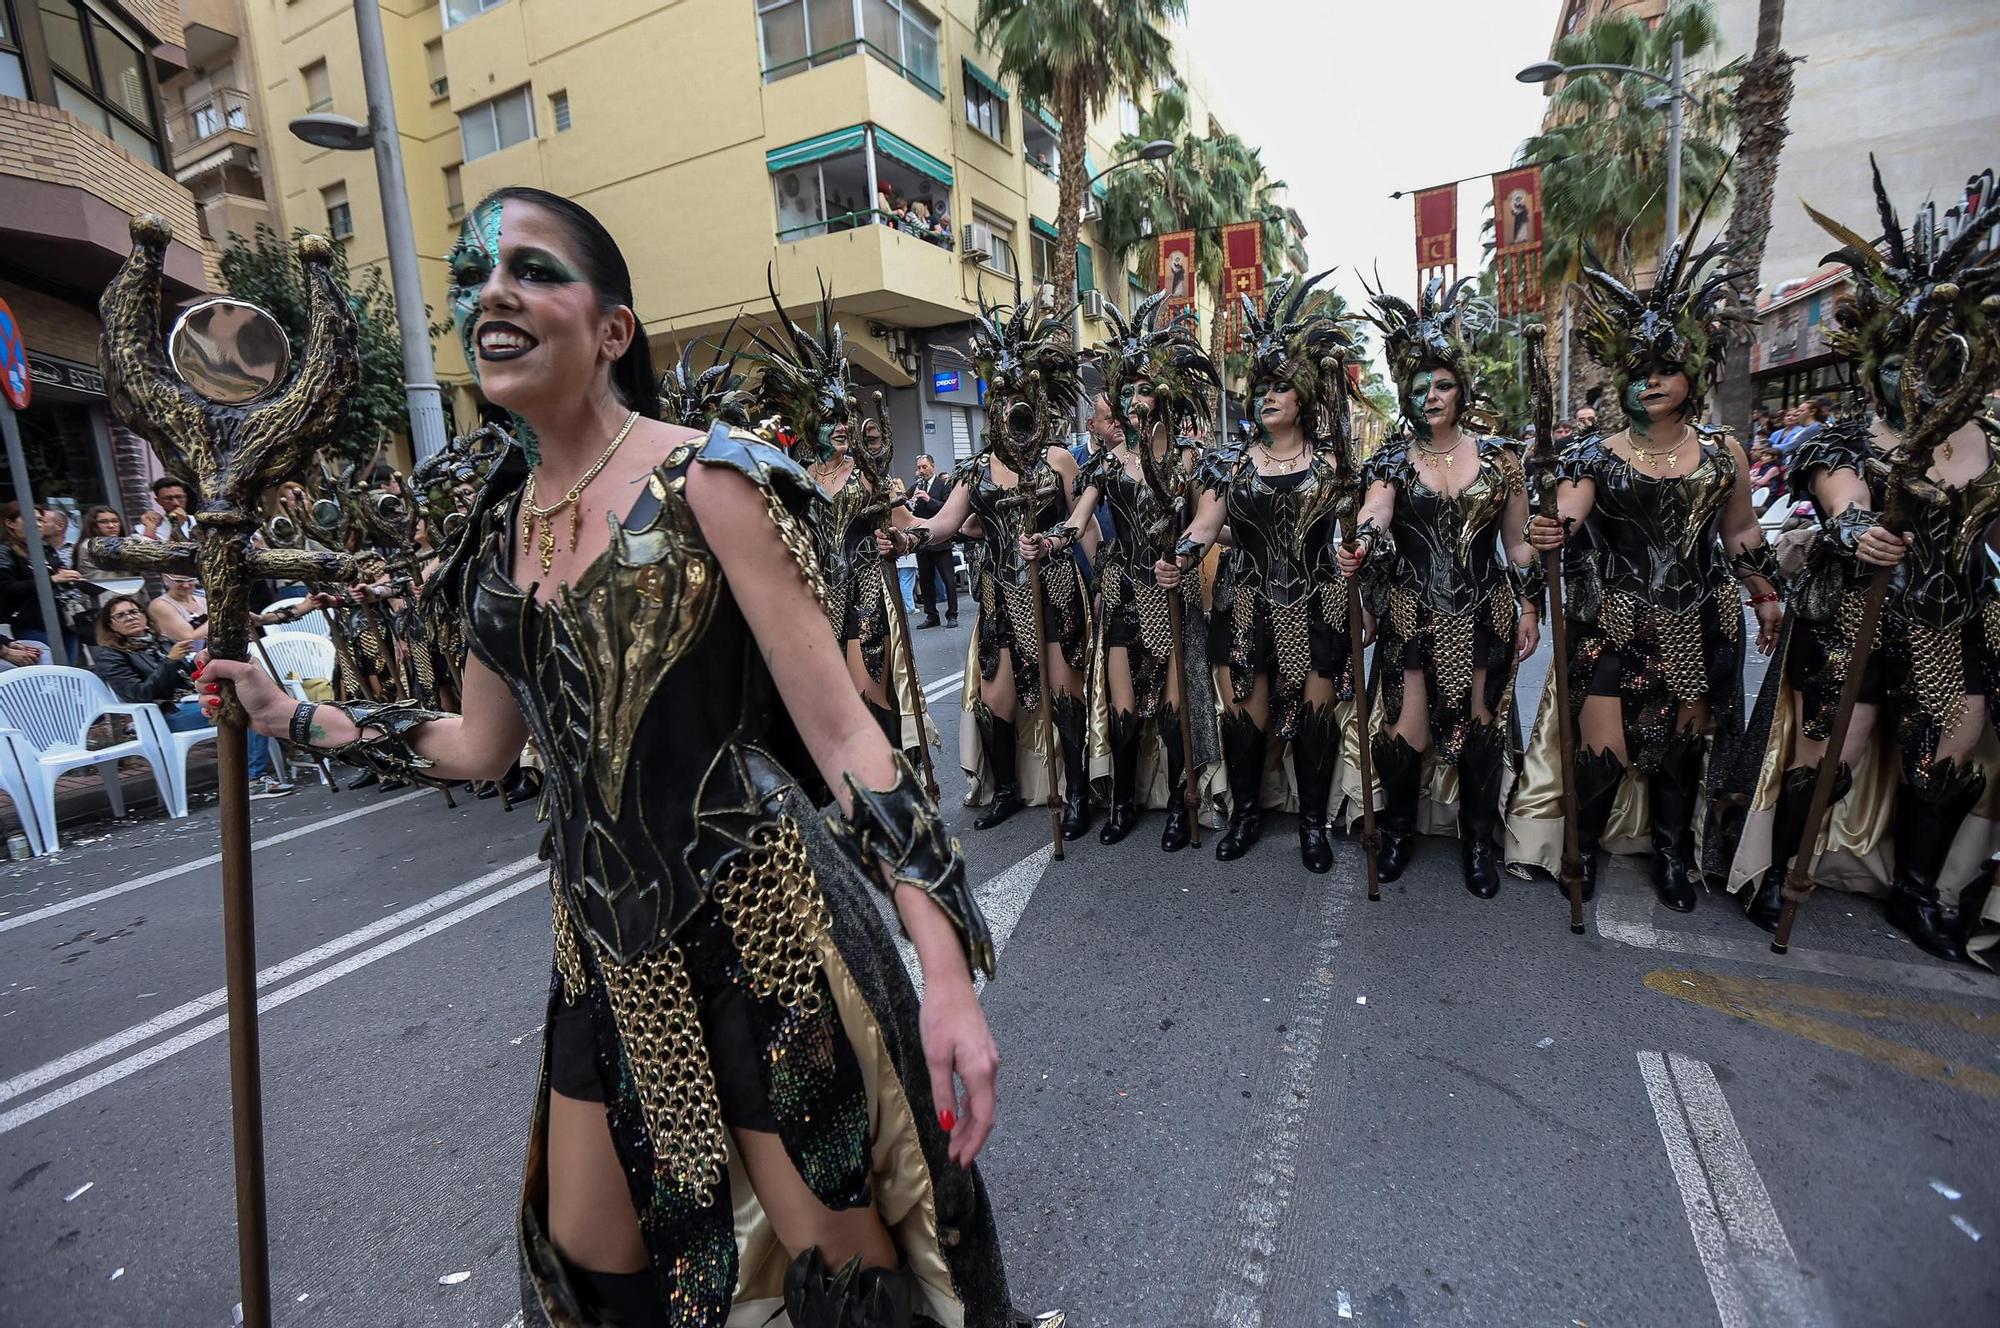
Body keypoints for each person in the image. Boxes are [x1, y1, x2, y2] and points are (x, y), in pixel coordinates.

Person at [202, 187, 1040, 1328]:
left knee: (844, 1292)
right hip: (603, 959)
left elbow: (848, 734)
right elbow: (478, 744)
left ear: (611, 329)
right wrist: (288, 711)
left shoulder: (712, 480)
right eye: (475, 277)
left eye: (533, 270)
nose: (492, 293)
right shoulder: (502, 527)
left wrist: (945, 973)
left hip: (762, 938)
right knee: (594, 1272)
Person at [1724, 166, 2000, 964]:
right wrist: (1861, 534)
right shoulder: (1840, 439)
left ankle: (1918, 891)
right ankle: (1780, 870)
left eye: (1938, 355)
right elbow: (1843, 505)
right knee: (1835, 747)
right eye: (1900, 356)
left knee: (1947, 753)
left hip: (1954, 624)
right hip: (1856, 619)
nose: (1918, 374)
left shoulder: (1990, 444)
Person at [1516, 223, 1783, 912]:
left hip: (1699, 619)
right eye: (1639, 370)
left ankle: (1671, 854)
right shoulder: (1596, 456)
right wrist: (1554, 527)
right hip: (1613, 622)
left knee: (1682, 744)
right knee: (1604, 748)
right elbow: (1568, 510)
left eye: (1666, 366)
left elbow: (1742, 530)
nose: (1652, 381)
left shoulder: (1724, 452)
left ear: (1692, 371)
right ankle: (1581, 852)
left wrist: (1765, 597)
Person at [1342, 276, 1541, 896]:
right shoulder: (1393, 463)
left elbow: (1517, 542)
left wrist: (1530, 598)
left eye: (1443, 383)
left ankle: (1477, 843)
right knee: (1407, 734)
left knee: (1481, 731)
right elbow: (1375, 511)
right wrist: (1364, 540)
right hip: (1412, 612)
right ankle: (1399, 833)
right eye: (1420, 385)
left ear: (1462, 388)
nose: (1431, 395)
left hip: (1485, 611)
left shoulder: (1503, 460)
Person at [1157, 273, 1361, 870]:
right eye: (1261, 387)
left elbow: (1361, 532)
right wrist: (1185, 555)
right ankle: (1246, 814)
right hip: (1244, 608)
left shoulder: (1332, 466)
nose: (1267, 396)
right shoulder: (1230, 465)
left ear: (1302, 395)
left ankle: (1313, 825)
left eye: (1279, 387)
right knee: (1246, 721)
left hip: (1317, 608)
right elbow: (1202, 524)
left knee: (1315, 720)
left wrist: (1363, 574)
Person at [886, 297, 1095, 838]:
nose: (1008, 405)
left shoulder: (1058, 459)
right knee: (996, 698)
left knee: (1063, 689)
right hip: (1001, 595)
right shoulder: (976, 469)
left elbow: (1081, 520)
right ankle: (1004, 791)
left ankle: (1077, 794)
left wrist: (1086, 569)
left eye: (1016, 394)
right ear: (992, 404)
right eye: (998, 396)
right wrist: (905, 535)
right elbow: (944, 526)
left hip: (1055, 589)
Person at [1029, 295, 1222, 851]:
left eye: (1144, 389)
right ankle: (1122, 802)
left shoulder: (1191, 459)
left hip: (1170, 586)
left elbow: (1207, 519)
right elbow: (1078, 518)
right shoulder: (1110, 460)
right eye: (1128, 390)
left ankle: (1179, 804)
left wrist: (1183, 555)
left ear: (1166, 394)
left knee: (1172, 704)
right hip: (1120, 589)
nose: (1134, 401)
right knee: (1122, 707)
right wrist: (1048, 539)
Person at [93, 595, 294, 798]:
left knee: (247, 695)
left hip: (190, 703)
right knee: (241, 706)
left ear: (144, 616)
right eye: (121, 615)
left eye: (134, 611)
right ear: (111, 626)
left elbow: (188, 675)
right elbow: (140, 694)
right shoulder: (110, 656)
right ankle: (254, 779)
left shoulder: (157, 643)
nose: (130, 617)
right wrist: (170, 662)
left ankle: (289, 751)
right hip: (163, 715)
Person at [0, 500, 87, 664]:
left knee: (69, 673)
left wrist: (68, 576)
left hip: (64, 622)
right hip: (32, 624)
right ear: (10, 523)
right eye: (31, 519)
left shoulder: (45, 549)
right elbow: (8, 589)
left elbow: (58, 572)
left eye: (41, 520)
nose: (38, 524)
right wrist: (52, 580)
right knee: (50, 676)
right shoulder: (5, 552)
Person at [906, 452, 959, 627]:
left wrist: (929, 499)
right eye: (919, 468)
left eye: (924, 467)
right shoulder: (914, 488)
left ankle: (952, 615)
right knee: (926, 581)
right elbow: (907, 512)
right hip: (922, 543)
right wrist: (909, 504)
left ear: (932, 466)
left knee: (948, 580)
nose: (921, 471)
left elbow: (948, 510)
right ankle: (931, 615)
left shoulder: (943, 486)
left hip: (941, 540)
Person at [74, 506, 128, 582]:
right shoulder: (89, 545)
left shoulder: (123, 543)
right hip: (109, 591)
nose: (111, 526)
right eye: (103, 522)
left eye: (115, 521)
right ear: (93, 525)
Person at [138, 476, 196, 541]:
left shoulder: (199, 523)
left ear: (185, 497)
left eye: (179, 497)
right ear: (158, 501)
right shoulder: (146, 527)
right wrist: (150, 529)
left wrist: (182, 525)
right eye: (168, 498)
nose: (175, 503)